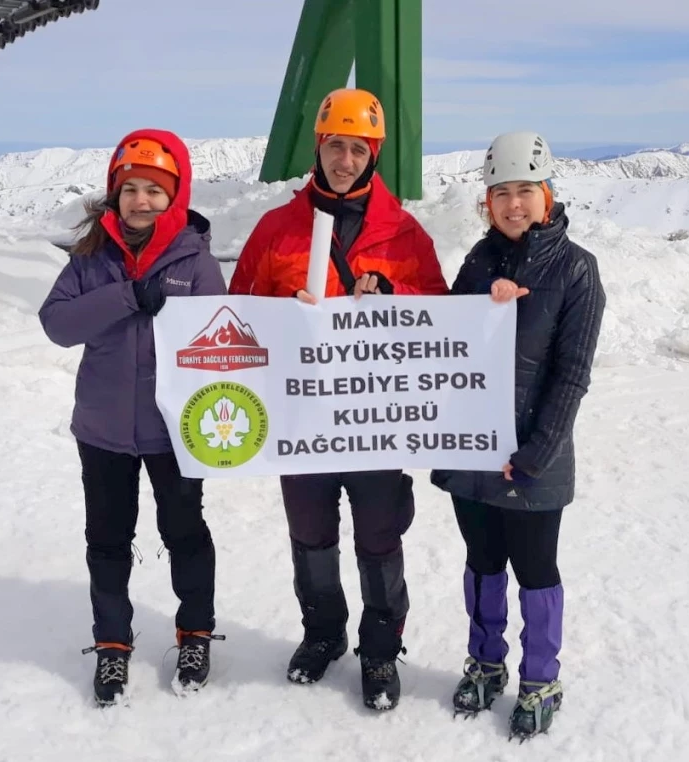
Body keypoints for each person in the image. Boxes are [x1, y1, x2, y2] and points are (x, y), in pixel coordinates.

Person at [229, 88, 449, 710]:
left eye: (357, 148)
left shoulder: (403, 233)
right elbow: (239, 310)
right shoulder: (278, 229)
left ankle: (380, 648)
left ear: (373, 153)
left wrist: (393, 299)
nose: (344, 160)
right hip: (301, 419)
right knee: (311, 530)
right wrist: (283, 318)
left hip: (375, 420)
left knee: (380, 534)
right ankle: (323, 632)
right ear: (318, 147)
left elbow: (440, 314)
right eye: (334, 146)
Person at [39, 129, 228, 706]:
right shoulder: (92, 258)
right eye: (131, 189)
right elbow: (58, 324)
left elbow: (223, 346)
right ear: (114, 196)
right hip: (103, 430)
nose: (142, 201)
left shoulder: (195, 262)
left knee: (184, 532)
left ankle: (195, 631)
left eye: (155, 190)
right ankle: (112, 643)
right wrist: (126, 295)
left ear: (176, 196)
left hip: (176, 431)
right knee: (108, 539)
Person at [431, 131, 606, 739]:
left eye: (524, 191)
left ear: (547, 194)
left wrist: (537, 452)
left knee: (535, 568)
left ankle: (540, 677)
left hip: (533, 458)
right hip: (473, 456)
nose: (512, 204)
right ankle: (485, 662)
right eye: (500, 192)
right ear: (487, 201)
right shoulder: (477, 262)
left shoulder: (579, 270)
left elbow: (571, 374)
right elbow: (444, 345)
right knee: (482, 562)